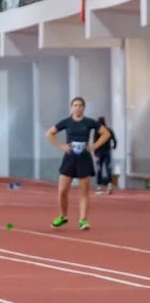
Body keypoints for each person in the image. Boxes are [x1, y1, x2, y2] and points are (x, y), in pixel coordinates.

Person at [46, 97, 110, 230]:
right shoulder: (66, 122)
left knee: (84, 191)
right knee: (62, 190)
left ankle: (83, 220)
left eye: (80, 105)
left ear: (83, 108)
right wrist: (62, 146)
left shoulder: (89, 122)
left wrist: (93, 146)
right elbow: (49, 134)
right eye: (75, 105)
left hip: (84, 158)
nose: (77, 108)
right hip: (69, 158)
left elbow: (106, 133)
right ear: (72, 107)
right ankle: (63, 216)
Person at [94, 116, 117, 195]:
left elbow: (95, 143)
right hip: (107, 152)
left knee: (99, 169)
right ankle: (109, 185)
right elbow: (114, 140)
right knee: (108, 168)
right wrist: (114, 147)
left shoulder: (97, 131)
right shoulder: (109, 130)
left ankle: (99, 187)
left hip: (99, 153)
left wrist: (95, 154)